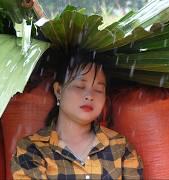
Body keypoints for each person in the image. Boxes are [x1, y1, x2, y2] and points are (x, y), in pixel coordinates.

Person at [11, 51, 144, 179]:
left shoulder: (120, 147)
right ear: (58, 90)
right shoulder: (32, 149)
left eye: (98, 90)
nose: (90, 96)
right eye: (80, 86)